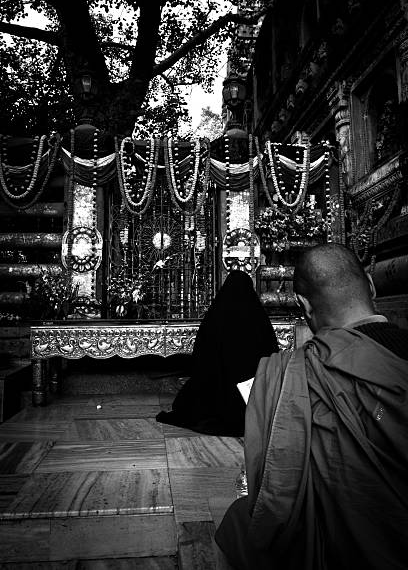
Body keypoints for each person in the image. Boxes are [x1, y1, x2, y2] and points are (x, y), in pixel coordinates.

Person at [215, 243, 408, 569]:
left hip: (343, 546)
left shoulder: (296, 372)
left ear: (304, 305)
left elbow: (274, 495)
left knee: (238, 527)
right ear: (372, 286)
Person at [156, 269, 279, 436]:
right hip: (253, 400)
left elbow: (201, 361)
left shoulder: (213, 321)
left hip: (216, 400)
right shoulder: (261, 323)